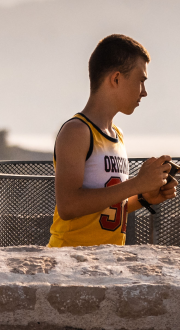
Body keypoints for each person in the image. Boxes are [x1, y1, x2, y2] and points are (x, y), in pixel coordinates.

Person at [48, 34, 176, 248]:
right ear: (116, 79)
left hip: (106, 260)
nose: (144, 92)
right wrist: (137, 184)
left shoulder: (117, 134)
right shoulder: (77, 131)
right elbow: (69, 206)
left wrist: (144, 197)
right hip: (69, 260)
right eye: (141, 81)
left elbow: (108, 208)